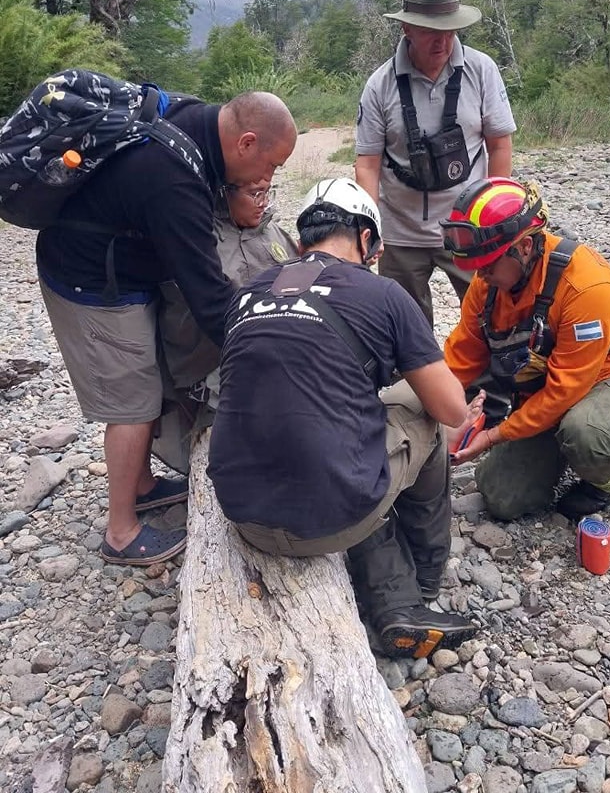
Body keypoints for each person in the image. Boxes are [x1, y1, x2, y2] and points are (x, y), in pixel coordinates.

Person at [207, 178, 479, 659]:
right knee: (424, 419)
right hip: (326, 520)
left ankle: (394, 594)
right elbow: (451, 410)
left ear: (301, 238)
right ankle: (427, 577)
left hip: (241, 511)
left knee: (330, 424)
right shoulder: (385, 294)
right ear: (366, 239)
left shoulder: (249, 291)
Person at [36, 91, 298, 566]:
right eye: (271, 165)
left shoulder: (196, 120)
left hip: (124, 264)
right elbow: (210, 301)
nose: (268, 178)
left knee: (149, 380)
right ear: (245, 141)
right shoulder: (174, 181)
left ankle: (142, 485)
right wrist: (268, 359)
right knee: (132, 401)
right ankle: (121, 531)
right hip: (91, 280)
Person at [441, 177, 610, 521]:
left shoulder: (587, 287)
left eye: (487, 264)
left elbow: (566, 390)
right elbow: (461, 357)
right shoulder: (487, 284)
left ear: (523, 247)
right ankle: (567, 444)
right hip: (551, 383)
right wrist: (436, 405)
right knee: (504, 498)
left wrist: (491, 436)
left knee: (587, 435)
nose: (480, 274)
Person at [354, 0, 515, 327]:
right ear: (406, 29)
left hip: (469, 227)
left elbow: (499, 144)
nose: (442, 41)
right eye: (430, 30)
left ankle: (483, 382)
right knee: (404, 330)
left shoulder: (482, 70)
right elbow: (367, 163)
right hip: (401, 231)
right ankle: (414, 384)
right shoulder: (380, 85)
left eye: (450, 29)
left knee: (492, 318)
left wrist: (496, 215)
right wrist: (370, 224)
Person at [152, 177, 300, 473]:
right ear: (224, 192)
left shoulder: (275, 235)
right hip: (215, 361)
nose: (263, 201)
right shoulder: (202, 243)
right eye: (254, 192)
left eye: (267, 192)